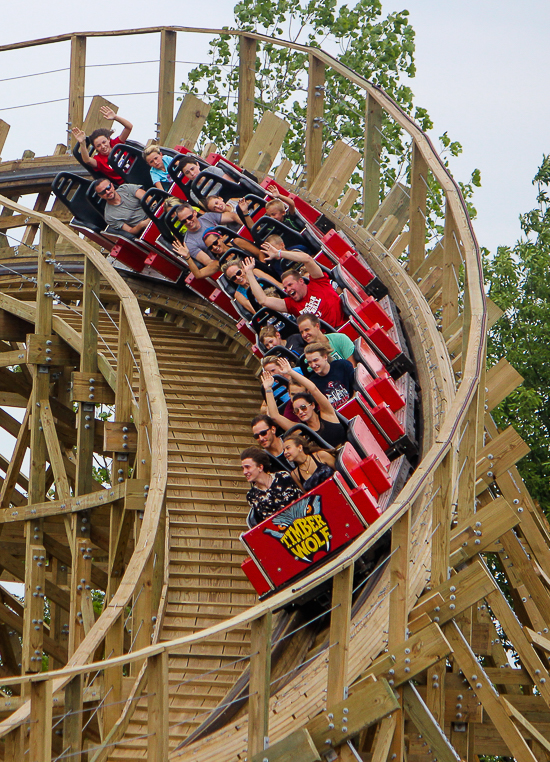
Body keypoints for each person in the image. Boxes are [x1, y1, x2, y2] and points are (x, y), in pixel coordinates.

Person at [244, 248, 346, 328]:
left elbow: (307, 259)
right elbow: (263, 300)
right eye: (285, 287)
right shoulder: (291, 304)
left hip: (346, 323)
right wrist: (249, 273)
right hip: (331, 336)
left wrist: (279, 253)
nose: (288, 289)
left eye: (290, 285)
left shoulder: (318, 282)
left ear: (301, 281)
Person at [262, 357, 347, 448]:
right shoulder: (301, 430)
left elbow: (314, 389)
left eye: (303, 407)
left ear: (312, 405)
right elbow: (275, 416)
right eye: (296, 411)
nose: (301, 412)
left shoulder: (327, 413)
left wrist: (290, 372)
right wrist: (268, 389)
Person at [240, 446, 302, 527]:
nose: (244, 472)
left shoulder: (283, 477)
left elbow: (301, 499)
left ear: (260, 467)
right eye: (243, 468)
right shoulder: (252, 496)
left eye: (248, 467)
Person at [72, 106, 133, 185]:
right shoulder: (99, 160)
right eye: (98, 145)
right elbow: (87, 160)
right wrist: (82, 143)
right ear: (95, 148)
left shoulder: (116, 144)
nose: (103, 146)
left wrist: (115, 117)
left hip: (136, 171)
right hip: (127, 183)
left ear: (108, 139)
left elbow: (129, 127)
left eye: (104, 142)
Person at [175, 202, 241, 265]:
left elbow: (232, 216)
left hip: (235, 246)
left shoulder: (207, 217)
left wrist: (247, 226)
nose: (188, 222)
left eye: (189, 217)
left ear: (195, 213)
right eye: (184, 221)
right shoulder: (189, 242)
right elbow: (208, 262)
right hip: (226, 261)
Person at [303, 343, 355, 410]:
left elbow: (357, 388)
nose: (313, 365)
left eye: (315, 360)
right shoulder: (313, 383)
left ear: (325, 357)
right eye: (309, 362)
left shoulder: (342, 365)